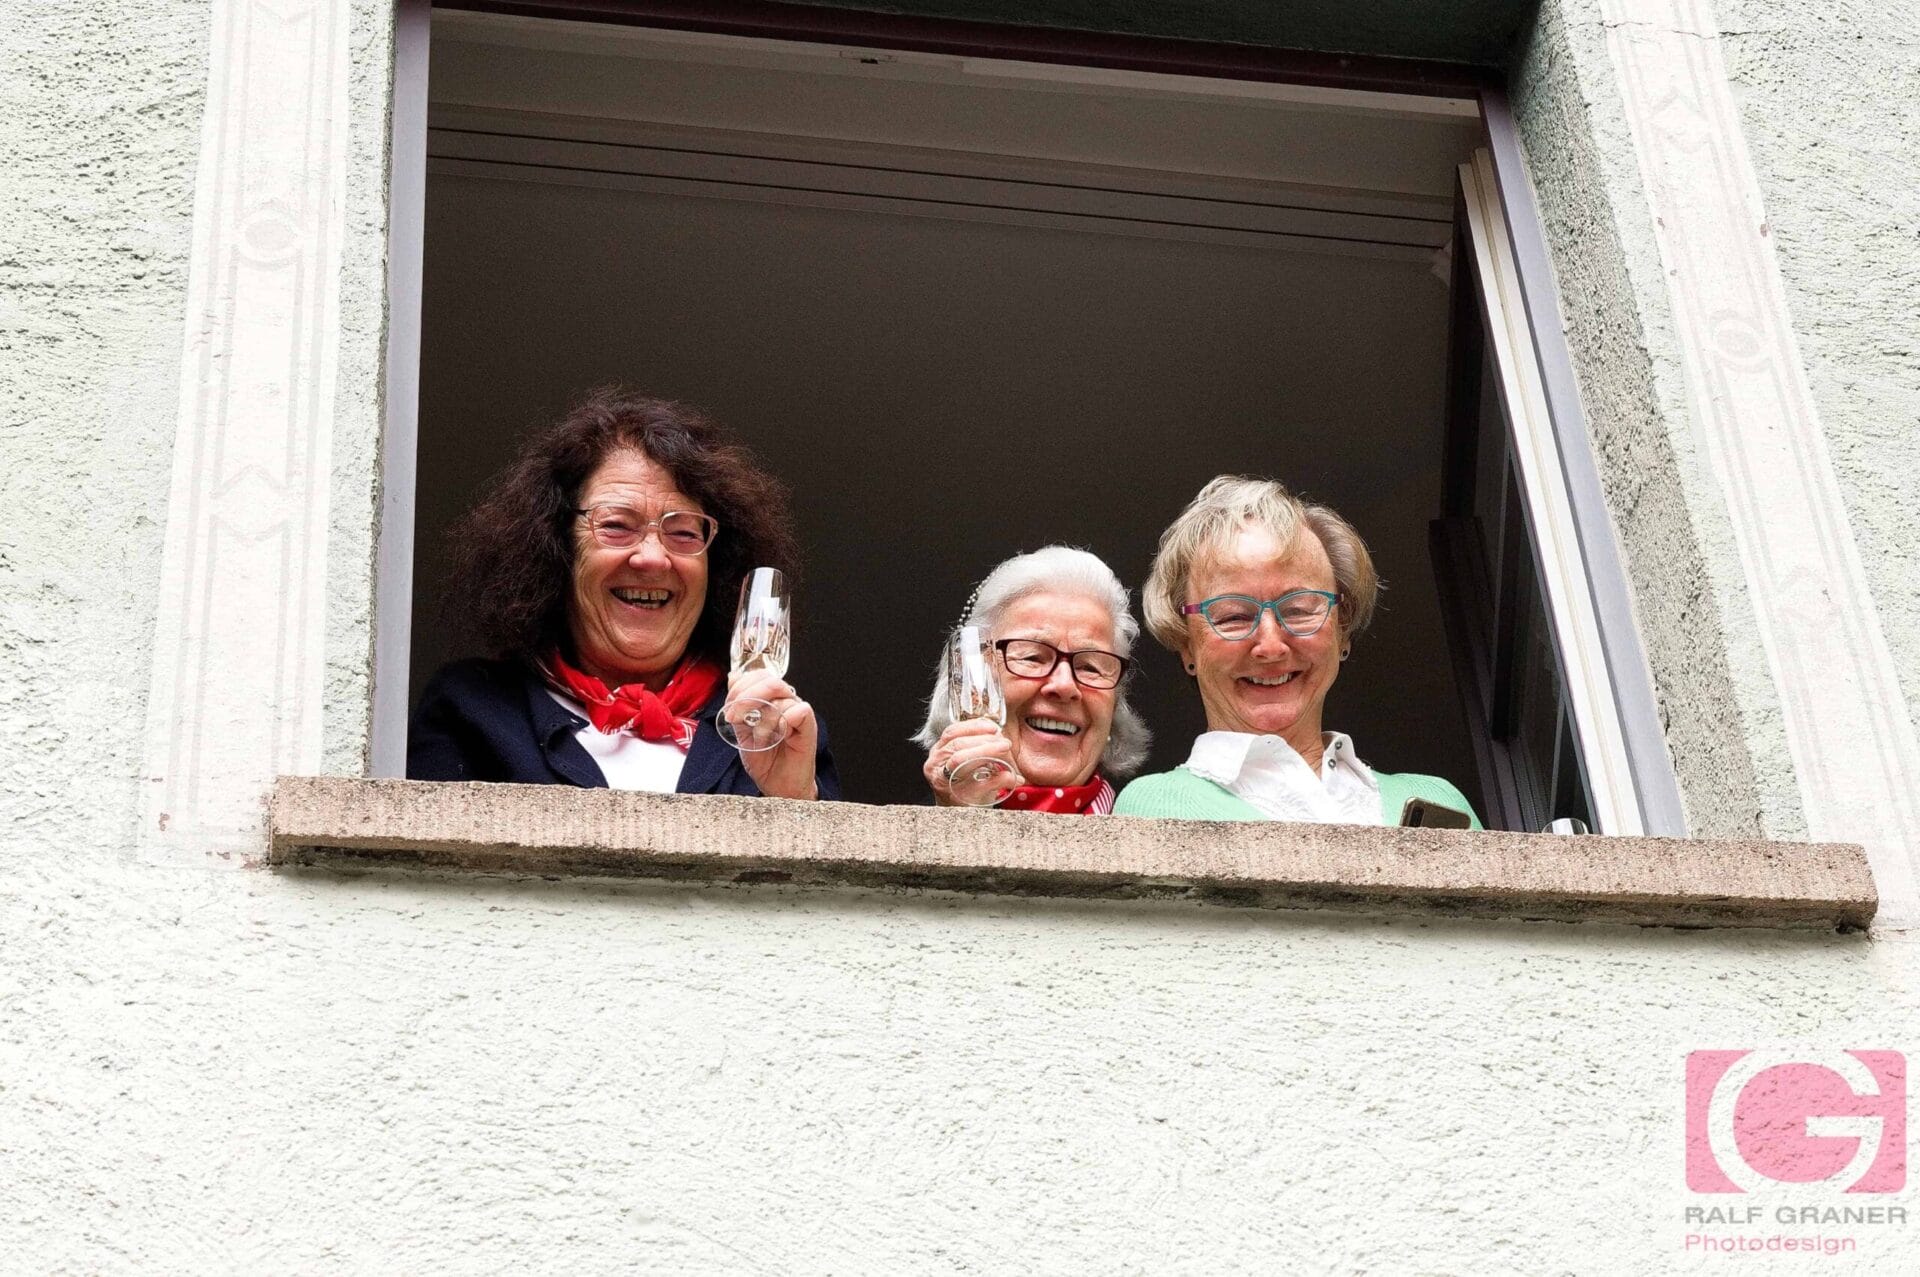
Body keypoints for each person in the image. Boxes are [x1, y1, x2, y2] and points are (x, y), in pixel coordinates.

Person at [408, 389, 838, 800]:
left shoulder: (776, 726)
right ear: (557, 548)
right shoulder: (472, 710)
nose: (652, 558)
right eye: (616, 526)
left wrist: (793, 799)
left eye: (683, 532)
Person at [1114, 476, 1477, 826]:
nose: (1271, 646)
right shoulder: (1157, 807)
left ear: (1343, 630)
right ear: (1186, 644)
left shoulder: (1439, 801)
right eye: (1234, 616)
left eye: (1299, 610)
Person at [916, 546, 1149, 813]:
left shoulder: (1150, 824)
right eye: (1032, 657)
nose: (1064, 685)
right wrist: (956, 817)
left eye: (1090, 667)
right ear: (972, 681)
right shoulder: (904, 833)